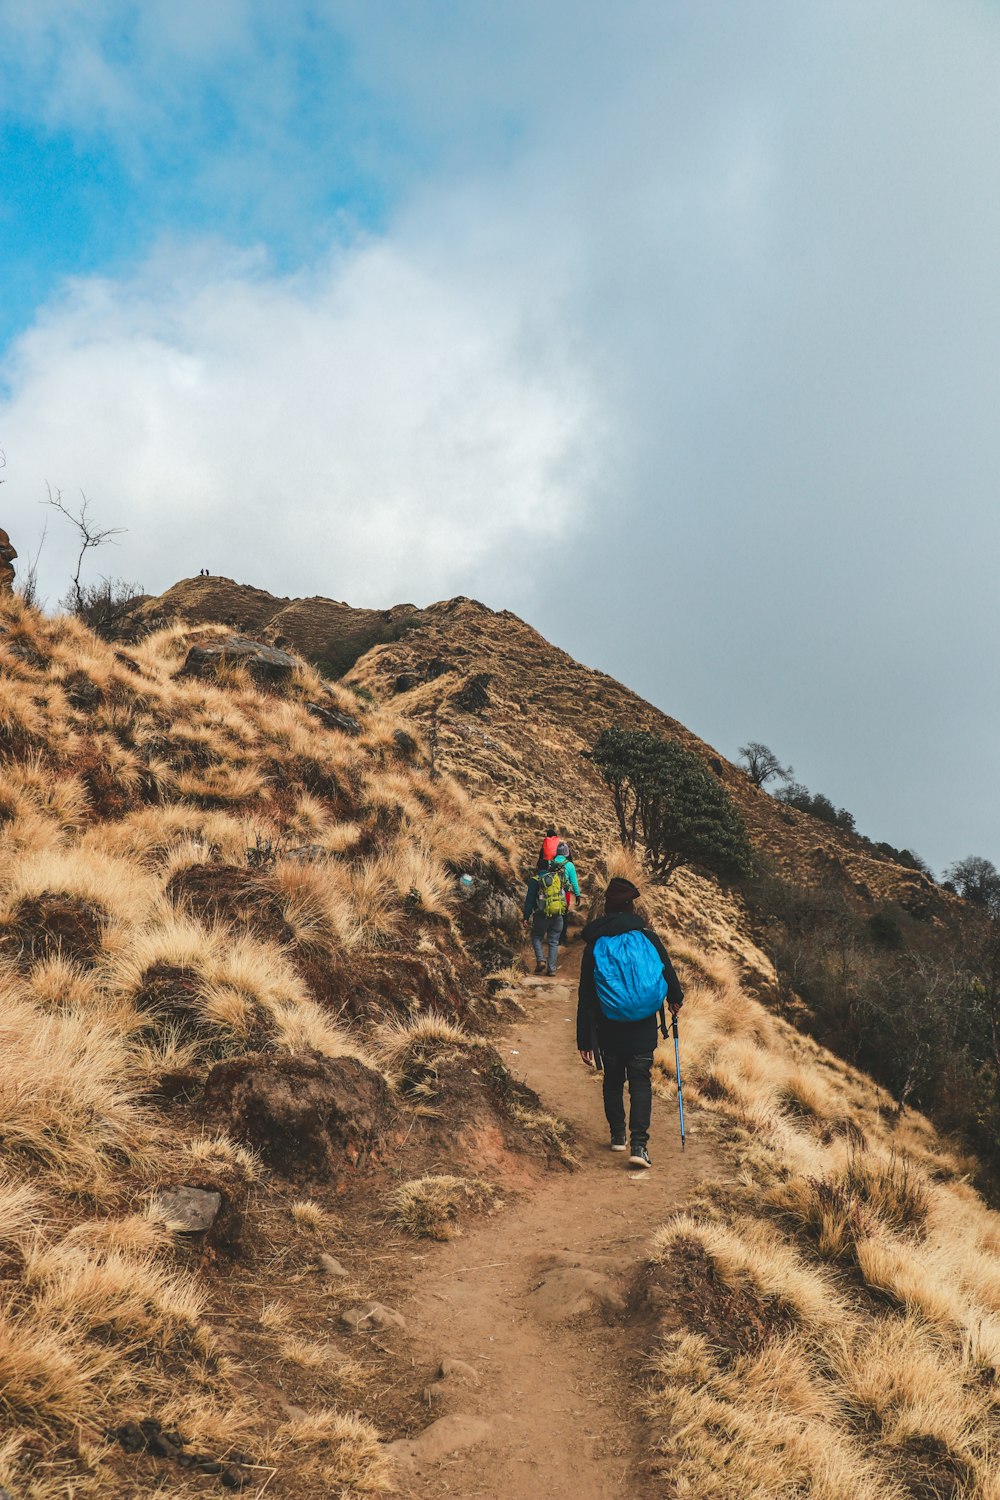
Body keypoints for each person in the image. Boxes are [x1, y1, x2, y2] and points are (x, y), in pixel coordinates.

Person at [576, 876, 683, 1169]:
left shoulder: (596, 943)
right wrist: (675, 999)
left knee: (613, 1079)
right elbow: (668, 972)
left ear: (608, 908)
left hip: (608, 1027)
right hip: (642, 1027)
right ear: (632, 906)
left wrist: (584, 1040)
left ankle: (617, 1136)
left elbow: (586, 994)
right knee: (640, 1081)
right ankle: (639, 1145)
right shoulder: (648, 937)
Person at [523, 859, 568, 976]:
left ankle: (541, 960)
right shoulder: (556, 878)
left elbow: (529, 901)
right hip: (558, 914)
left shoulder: (535, 881)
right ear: (548, 868)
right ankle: (552, 969)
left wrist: (526, 917)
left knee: (536, 936)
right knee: (553, 941)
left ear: (537, 867)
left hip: (541, 916)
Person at [553, 841, 581, 944]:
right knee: (563, 915)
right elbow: (574, 882)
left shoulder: (551, 863)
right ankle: (562, 938)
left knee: (553, 913)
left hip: (551, 892)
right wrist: (577, 895)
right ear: (567, 853)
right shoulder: (569, 865)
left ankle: (553, 937)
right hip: (565, 893)